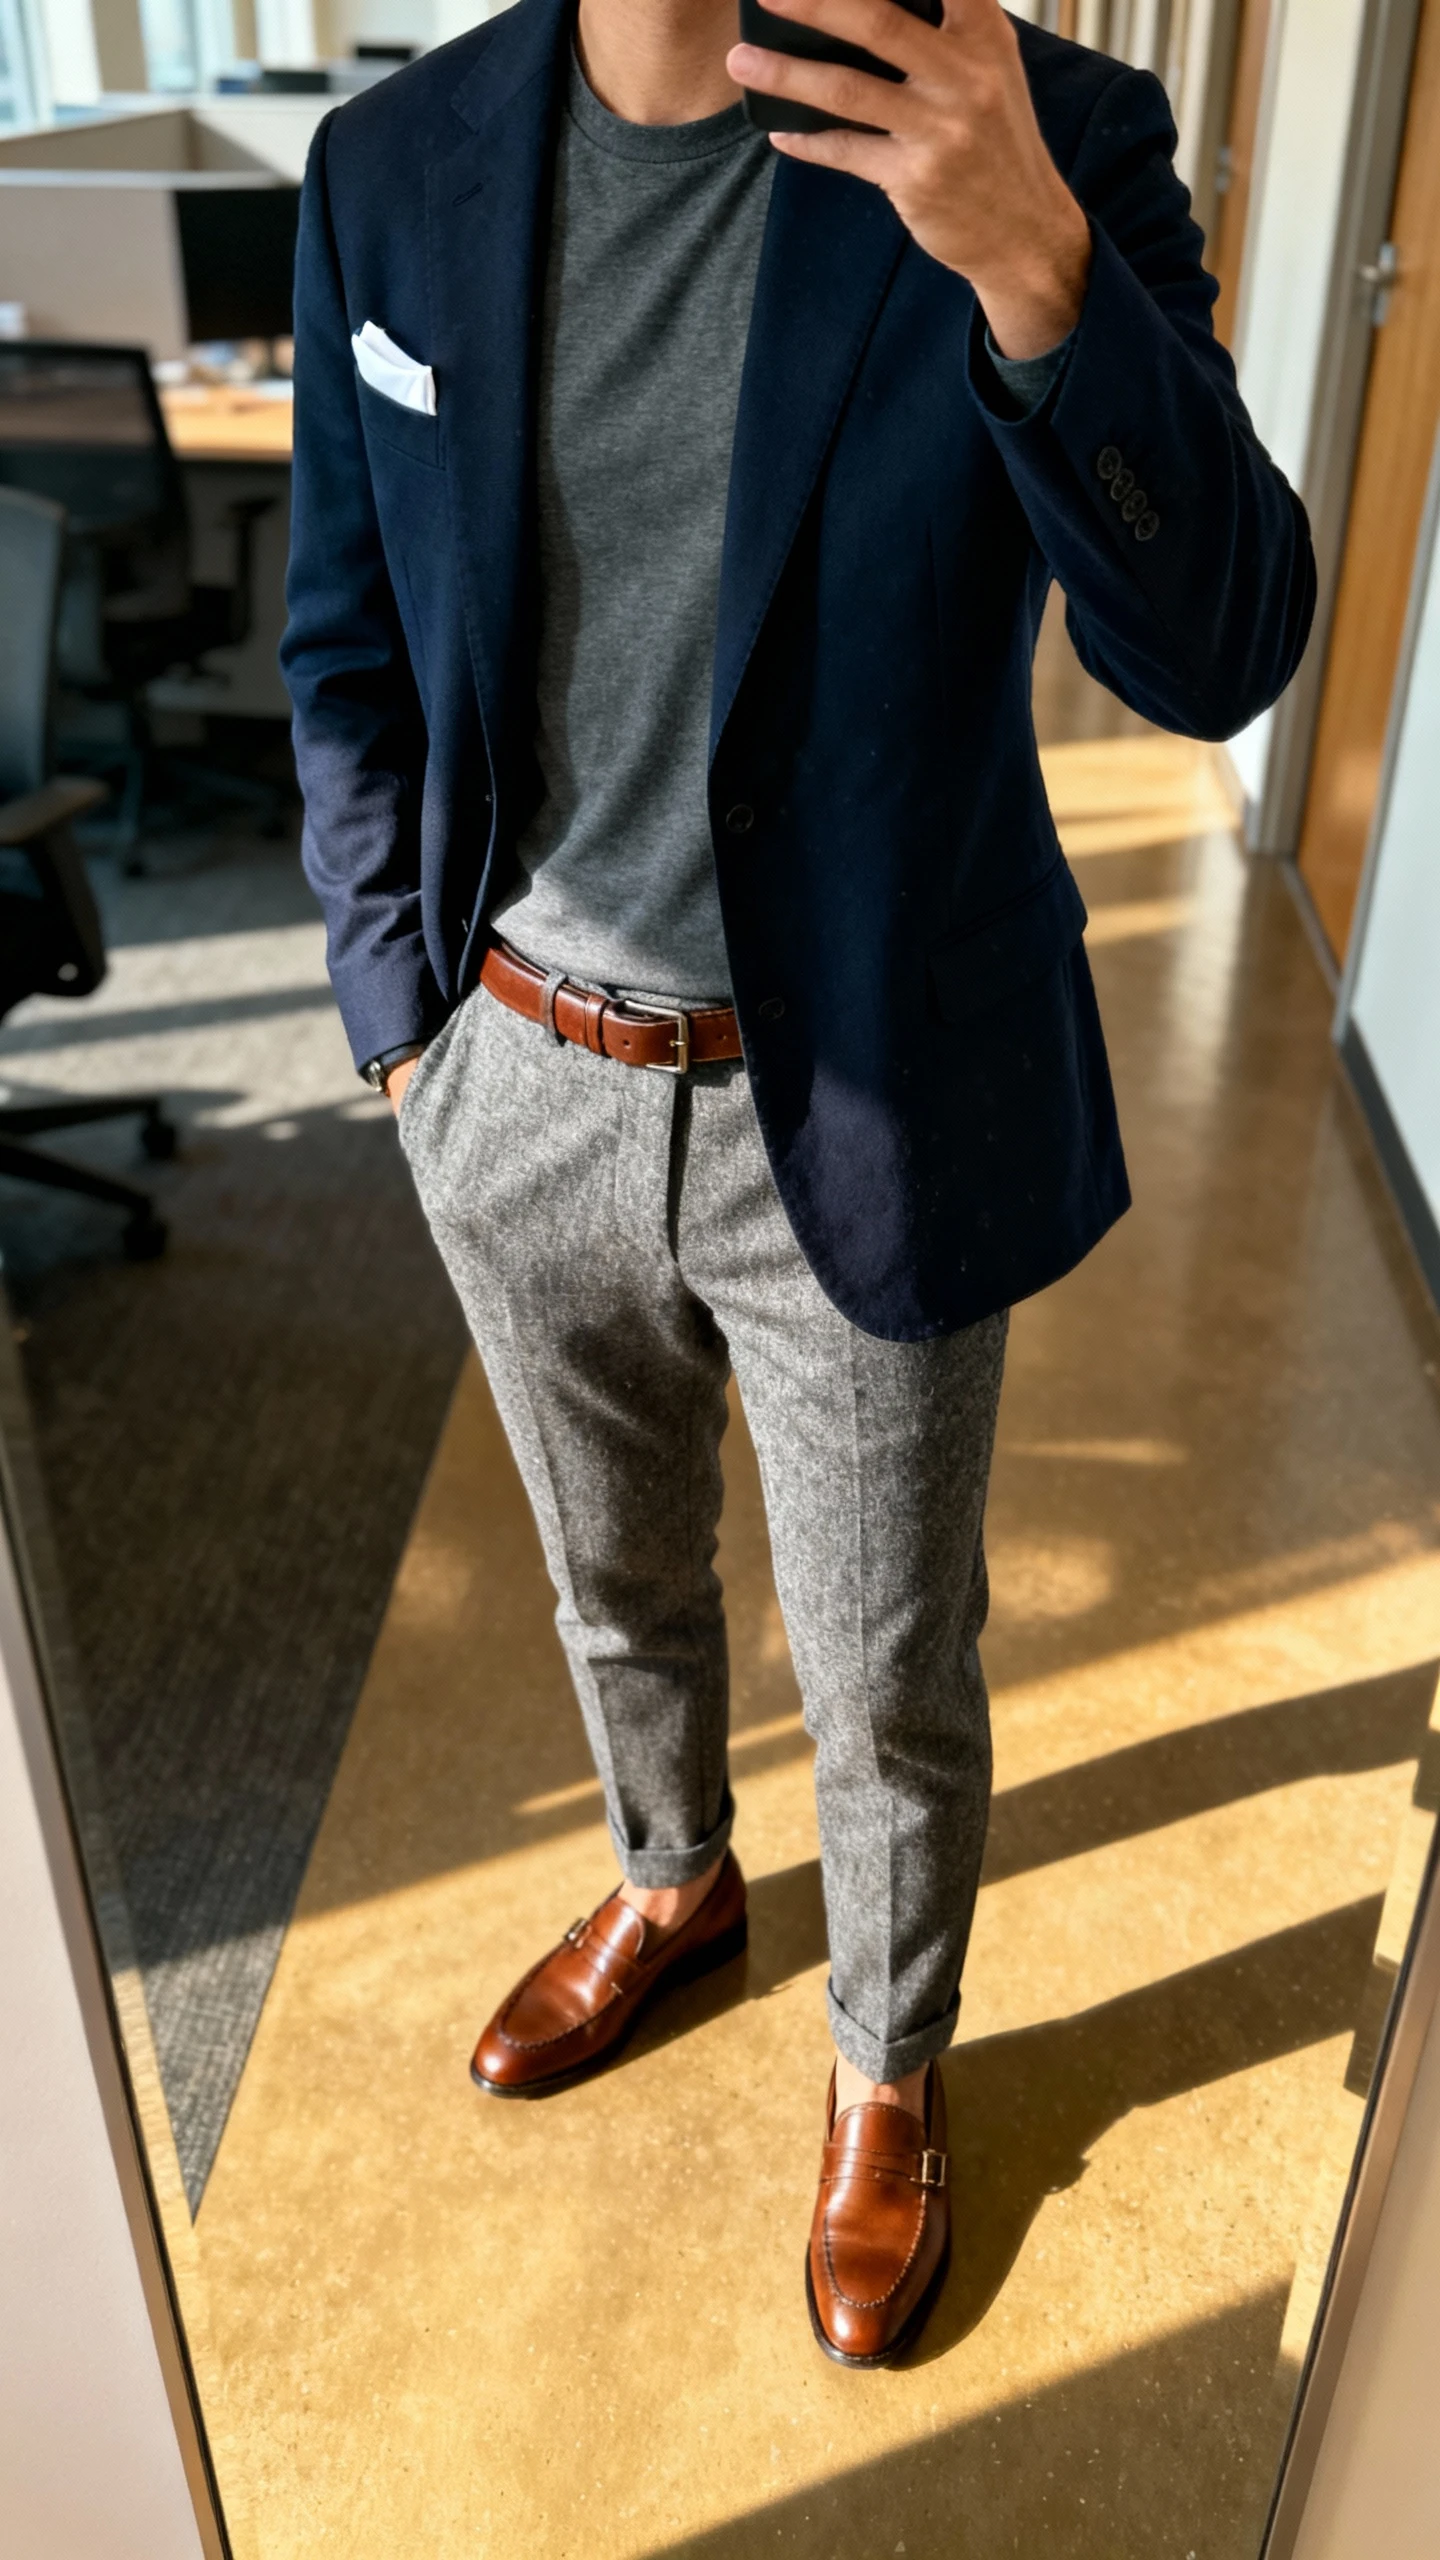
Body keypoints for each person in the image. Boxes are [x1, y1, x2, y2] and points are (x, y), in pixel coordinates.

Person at [282, 0, 1313, 2366]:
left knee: (884, 1659)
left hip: (861, 1084)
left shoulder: (1049, 135)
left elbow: (1224, 645)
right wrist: (400, 1026)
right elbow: (345, 633)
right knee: (609, 1571)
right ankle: (672, 1879)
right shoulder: (395, 162)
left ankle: (887, 2053)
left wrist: (1038, 273)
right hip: (511, 1066)